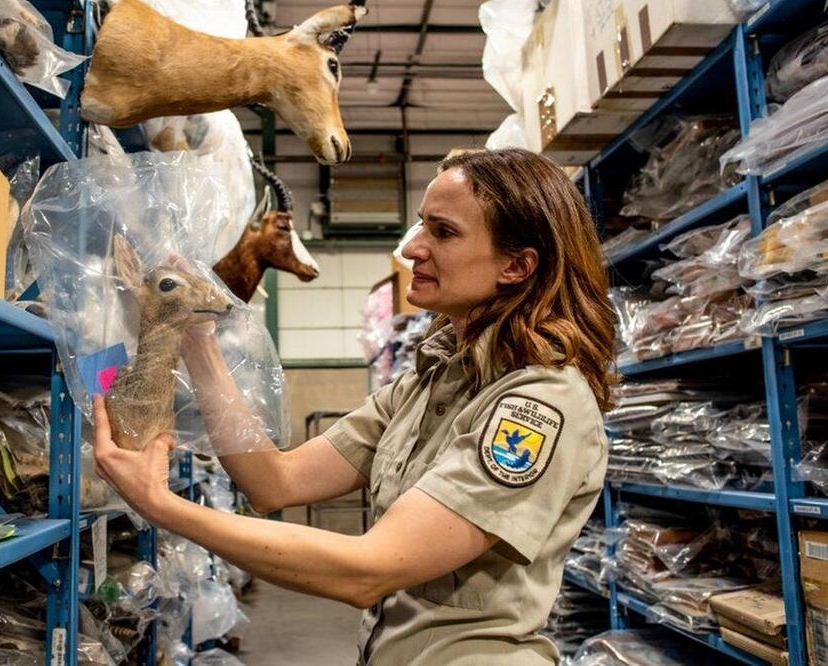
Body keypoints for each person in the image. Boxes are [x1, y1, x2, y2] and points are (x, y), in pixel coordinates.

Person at [92, 148, 616, 665]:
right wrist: (198, 338)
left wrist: (160, 505)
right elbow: (276, 480)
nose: (413, 249)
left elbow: (368, 571)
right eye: (420, 226)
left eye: (444, 232)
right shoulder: (430, 382)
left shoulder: (539, 403)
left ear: (517, 266)